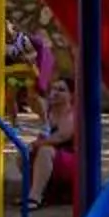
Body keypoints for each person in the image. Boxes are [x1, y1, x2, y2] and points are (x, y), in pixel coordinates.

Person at [28, 75, 77, 207]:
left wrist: (37, 144)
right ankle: (42, 190)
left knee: (45, 151)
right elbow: (34, 100)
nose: (55, 93)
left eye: (61, 90)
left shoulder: (72, 114)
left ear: (71, 95)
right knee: (24, 155)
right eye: (53, 89)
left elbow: (61, 137)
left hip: (74, 160)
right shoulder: (49, 112)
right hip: (56, 157)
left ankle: (35, 197)